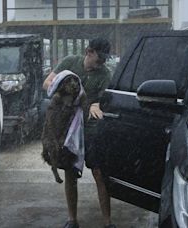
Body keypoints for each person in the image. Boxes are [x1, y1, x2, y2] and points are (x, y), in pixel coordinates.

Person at [43, 38, 115, 228]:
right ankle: (72, 220)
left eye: (104, 60)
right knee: (70, 173)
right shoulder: (69, 63)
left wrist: (97, 103)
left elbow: (105, 100)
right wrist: (65, 92)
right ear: (88, 52)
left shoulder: (105, 74)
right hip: (68, 128)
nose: (102, 64)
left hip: (90, 130)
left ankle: (108, 223)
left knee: (99, 173)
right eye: (99, 59)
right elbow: (47, 83)